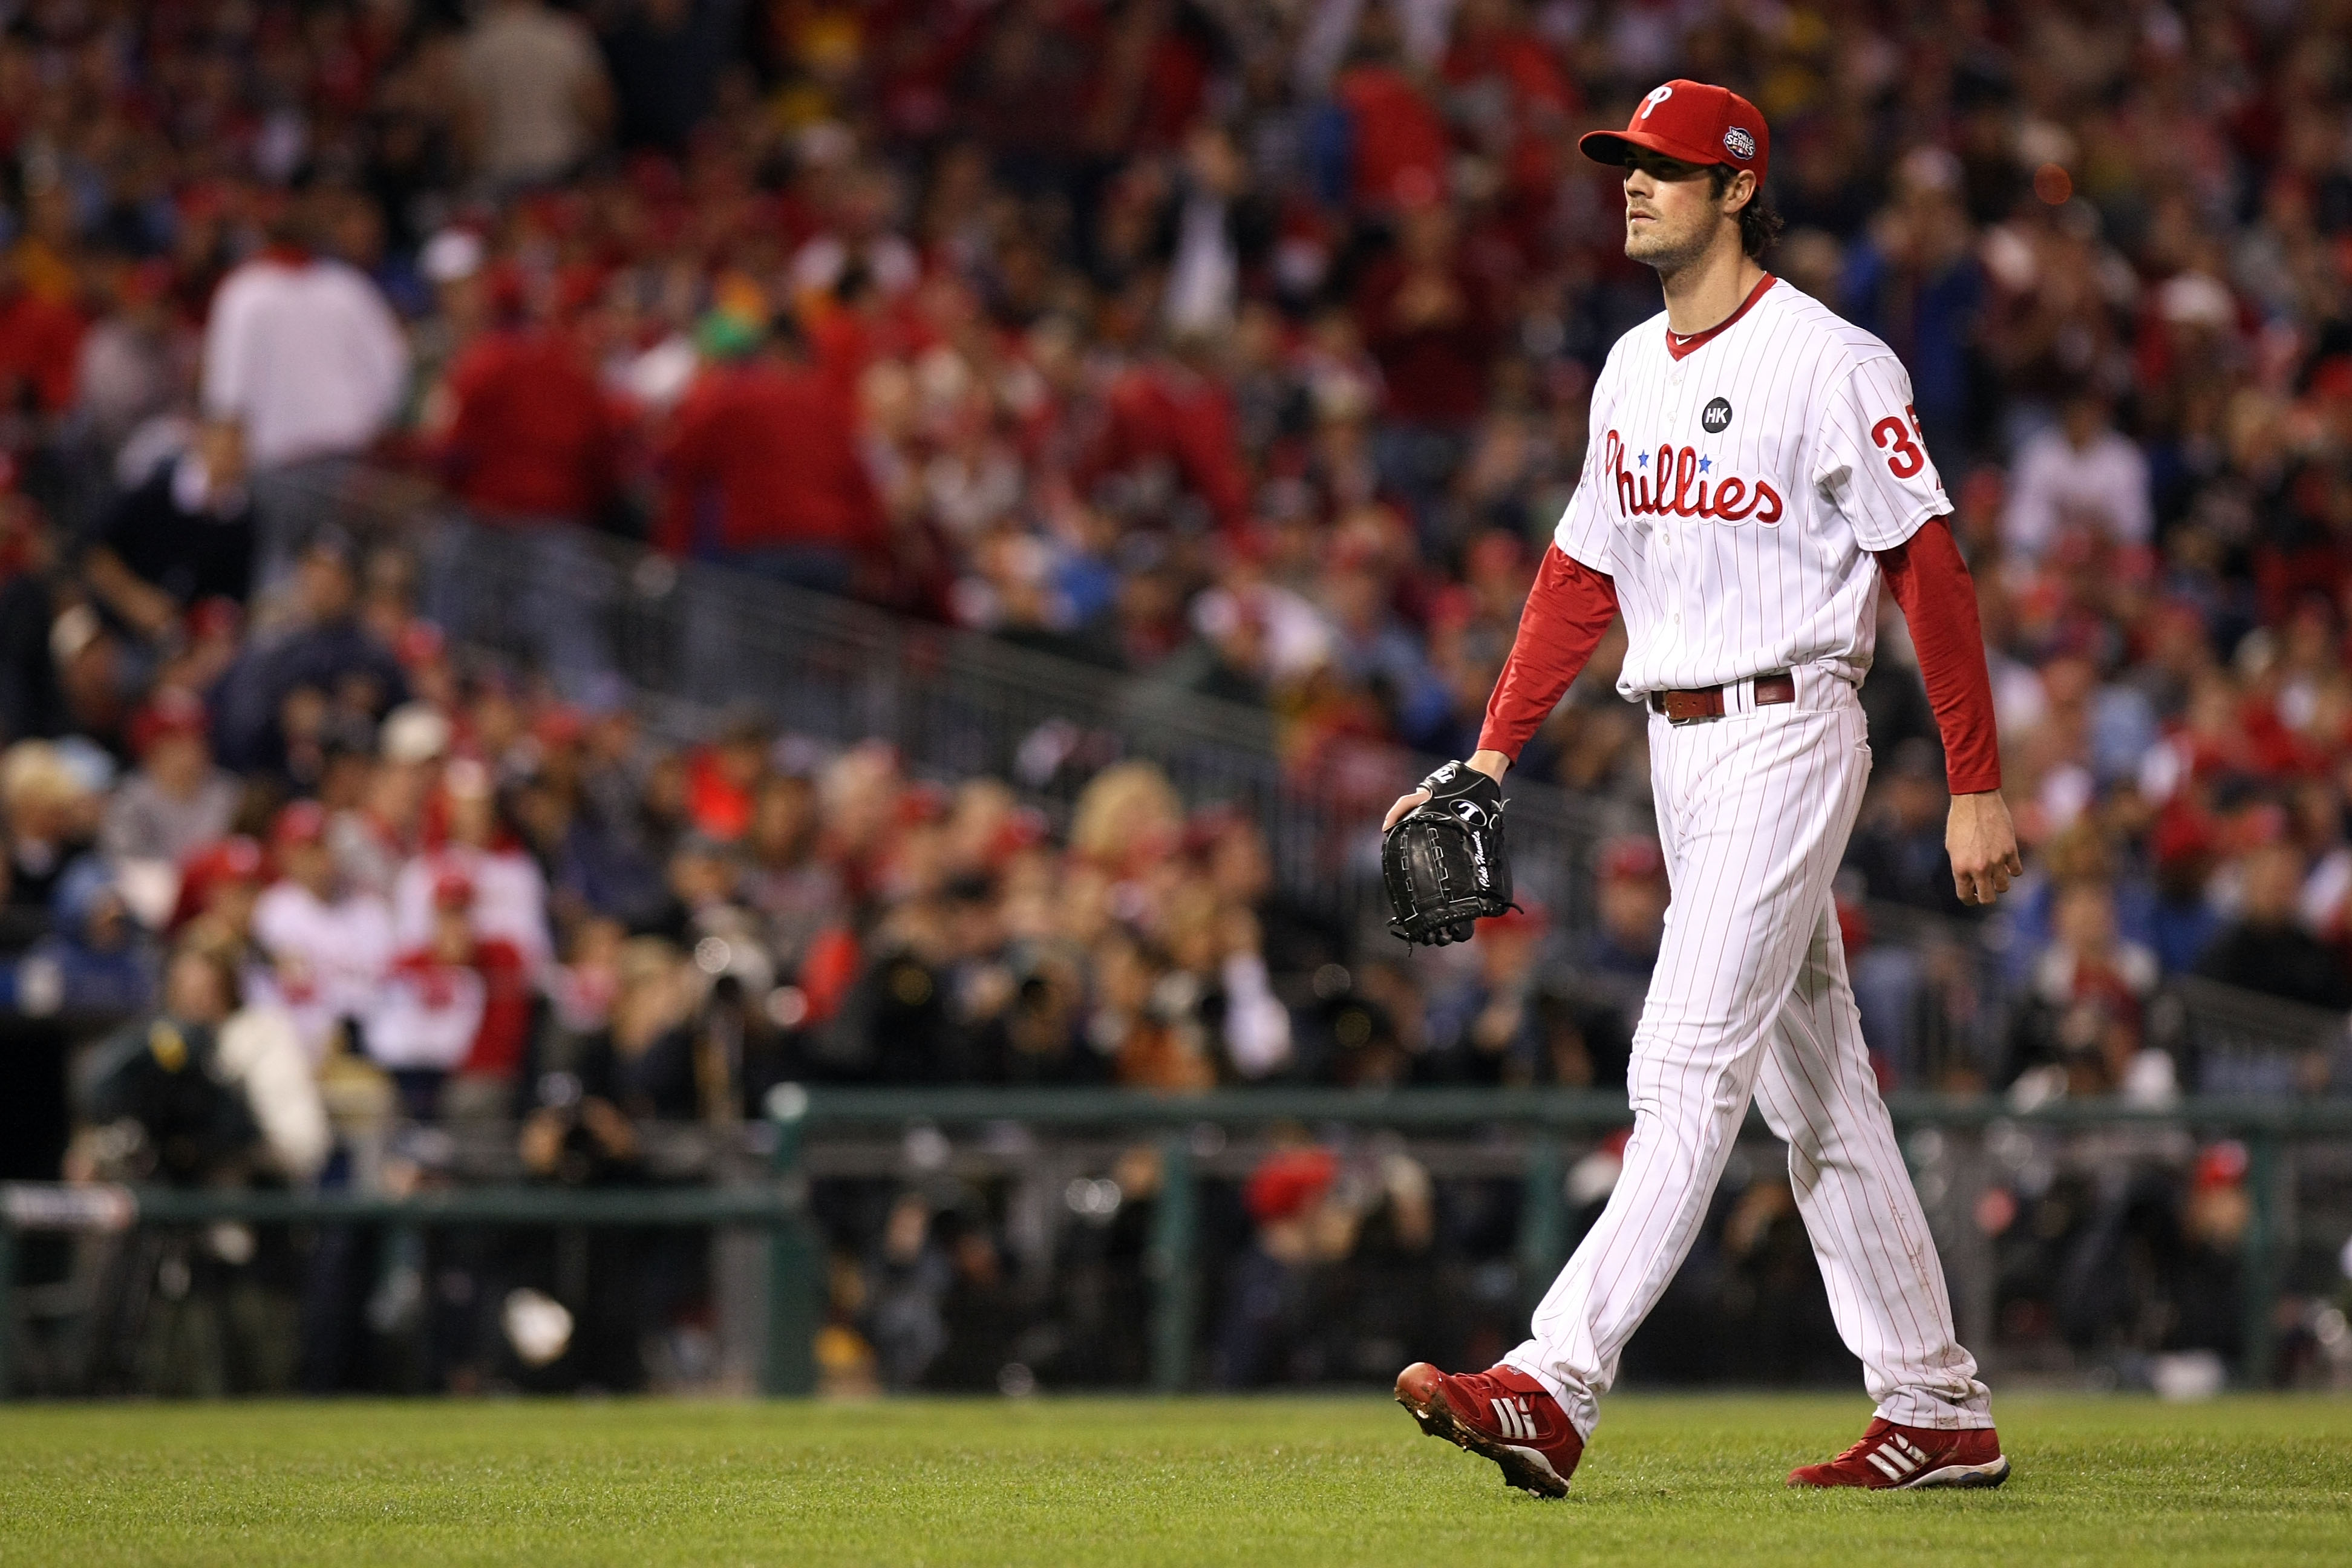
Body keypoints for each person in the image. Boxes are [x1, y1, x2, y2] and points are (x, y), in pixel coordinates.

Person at [1386, 82, 2016, 1497]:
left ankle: (1553, 1382)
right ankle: (1936, 1405)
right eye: (1627, 164)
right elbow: (1576, 577)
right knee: (1820, 1094)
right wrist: (1490, 755)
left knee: (1680, 1066)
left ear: (1737, 189)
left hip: (1790, 727)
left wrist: (1975, 783)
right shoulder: (1629, 366)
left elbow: (1931, 568)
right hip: (1678, 744)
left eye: (1667, 169)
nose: (1636, 185)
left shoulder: (1830, 360)